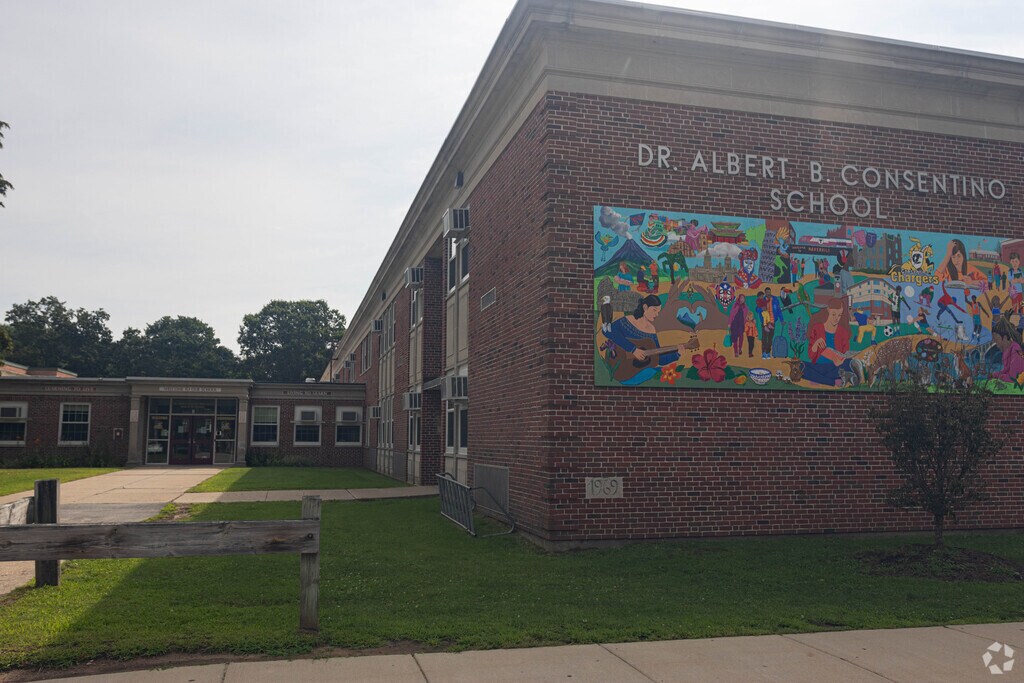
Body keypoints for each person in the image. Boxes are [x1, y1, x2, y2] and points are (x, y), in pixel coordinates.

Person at [604, 295, 685, 385]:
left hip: (638, 373)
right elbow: (607, 331)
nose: (657, 314)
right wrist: (633, 349)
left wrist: (677, 354)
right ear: (645, 307)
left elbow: (657, 358)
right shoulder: (627, 320)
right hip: (619, 370)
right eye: (654, 310)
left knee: (656, 368)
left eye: (658, 312)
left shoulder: (652, 330)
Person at [992, 317, 1024, 383]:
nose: (996, 343)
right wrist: (993, 374)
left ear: (1005, 338)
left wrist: (998, 376)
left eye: (997, 340)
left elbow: (1012, 378)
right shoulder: (1008, 351)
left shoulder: (1015, 353)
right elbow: (1006, 370)